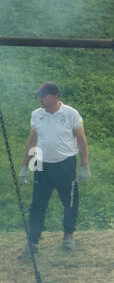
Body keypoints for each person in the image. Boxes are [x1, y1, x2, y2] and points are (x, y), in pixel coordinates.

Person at [19, 82, 90, 256]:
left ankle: (68, 235)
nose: (39, 99)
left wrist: (84, 165)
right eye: (39, 95)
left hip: (65, 164)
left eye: (43, 95)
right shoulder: (37, 115)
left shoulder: (70, 114)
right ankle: (33, 241)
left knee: (69, 202)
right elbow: (32, 140)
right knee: (37, 204)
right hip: (41, 164)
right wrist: (24, 166)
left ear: (55, 96)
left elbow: (81, 140)